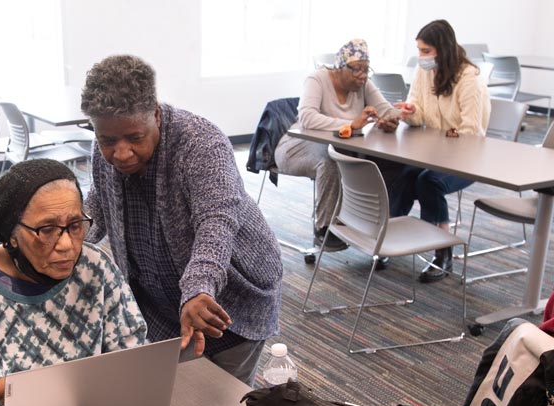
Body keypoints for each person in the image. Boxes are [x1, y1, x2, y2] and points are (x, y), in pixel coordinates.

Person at [80, 54, 281, 385]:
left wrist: (200, 287)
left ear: (156, 115)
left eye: (134, 138)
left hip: (231, 301)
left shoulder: (200, 143)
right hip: (161, 303)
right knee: (173, 399)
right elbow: (97, 207)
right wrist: (63, 235)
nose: (121, 153)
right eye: (107, 140)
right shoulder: (106, 152)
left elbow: (216, 224)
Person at [0, 158, 147, 406]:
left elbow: (135, 353)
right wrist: (6, 388)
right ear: (11, 234)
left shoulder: (96, 267)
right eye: (47, 229)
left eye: (75, 225)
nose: (67, 245)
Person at [274, 38, 403, 254]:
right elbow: (307, 118)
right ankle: (324, 228)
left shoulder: (362, 84)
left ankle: (370, 222)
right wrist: (350, 124)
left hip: (339, 148)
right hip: (298, 146)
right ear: (341, 66)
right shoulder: (317, 79)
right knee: (330, 162)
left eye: (365, 70)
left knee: (385, 162)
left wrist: (394, 117)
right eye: (356, 70)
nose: (362, 76)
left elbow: (386, 109)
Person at [391, 19, 491, 283]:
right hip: (433, 155)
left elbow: (471, 132)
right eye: (419, 50)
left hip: (468, 159)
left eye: (426, 51)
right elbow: (418, 112)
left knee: (428, 181)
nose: (421, 57)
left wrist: (439, 139)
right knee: (405, 175)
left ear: (442, 50)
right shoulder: (424, 72)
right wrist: (409, 113)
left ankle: (442, 253)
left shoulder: (470, 80)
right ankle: (389, 236)